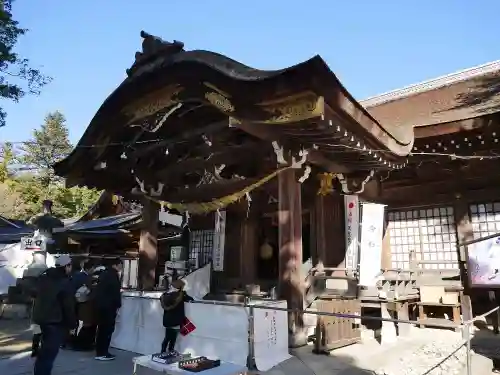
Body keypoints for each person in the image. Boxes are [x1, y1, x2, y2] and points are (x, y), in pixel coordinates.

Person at [32, 254, 77, 375]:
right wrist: (73, 325)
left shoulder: (44, 278)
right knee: (49, 354)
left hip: (40, 319)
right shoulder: (64, 282)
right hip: (55, 322)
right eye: (70, 266)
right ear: (66, 266)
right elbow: (68, 306)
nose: (71, 268)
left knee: (43, 353)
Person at [93, 258, 122, 361]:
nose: (121, 267)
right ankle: (103, 353)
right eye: (120, 265)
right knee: (107, 330)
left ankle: (99, 351)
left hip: (100, 306)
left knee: (101, 329)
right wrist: (118, 305)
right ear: (116, 265)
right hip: (109, 307)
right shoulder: (113, 275)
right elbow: (115, 292)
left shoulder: (104, 274)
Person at [160, 279, 193, 354]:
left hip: (167, 320)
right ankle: (170, 352)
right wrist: (184, 293)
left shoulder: (164, 295)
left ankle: (163, 352)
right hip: (176, 320)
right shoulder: (181, 295)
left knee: (167, 337)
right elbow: (191, 299)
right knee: (173, 338)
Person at [73, 260, 96, 351]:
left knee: (81, 324)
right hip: (85, 304)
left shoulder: (77, 276)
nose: (93, 270)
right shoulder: (87, 278)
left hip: (78, 303)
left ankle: (77, 343)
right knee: (86, 325)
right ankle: (81, 344)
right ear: (88, 268)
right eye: (92, 268)